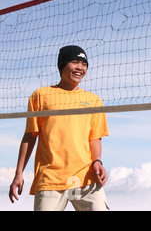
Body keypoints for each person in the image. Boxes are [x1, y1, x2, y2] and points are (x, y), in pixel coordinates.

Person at [9, 45, 110, 211]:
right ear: (62, 64)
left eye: (84, 64)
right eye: (75, 62)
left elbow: (94, 137)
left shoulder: (93, 100)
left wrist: (97, 161)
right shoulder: (40, 95)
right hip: (50, 179)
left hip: (85, 178)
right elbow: (30, 136)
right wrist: (19, 173)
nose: (80, 67)